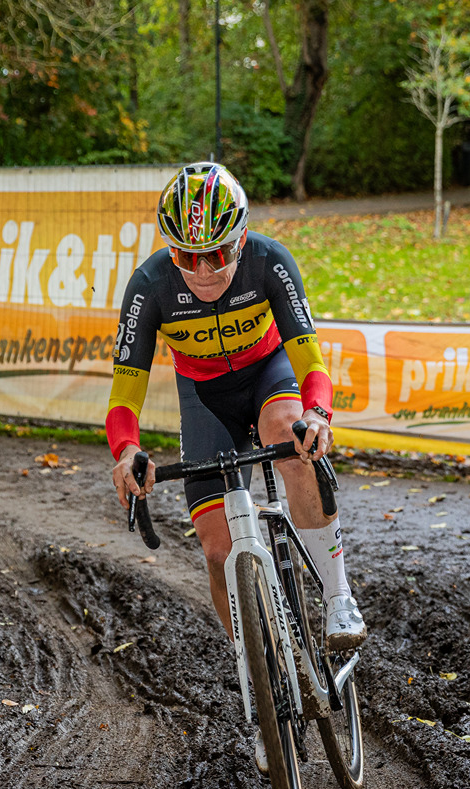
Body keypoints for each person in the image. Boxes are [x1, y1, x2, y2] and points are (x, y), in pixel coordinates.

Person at [107, 162, 366, 660]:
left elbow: (311, 361)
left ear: (241, 239)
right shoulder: (150, 286)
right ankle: (260, 681)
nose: (203, 270)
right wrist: (127, 450)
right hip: (205, 400)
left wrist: (317, 415)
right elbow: (123, 397)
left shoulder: (269, 260)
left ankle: (338, 598)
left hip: (269, 375)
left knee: (287, 436)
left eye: (217, 254)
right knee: (218, 551)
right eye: (186, 254)